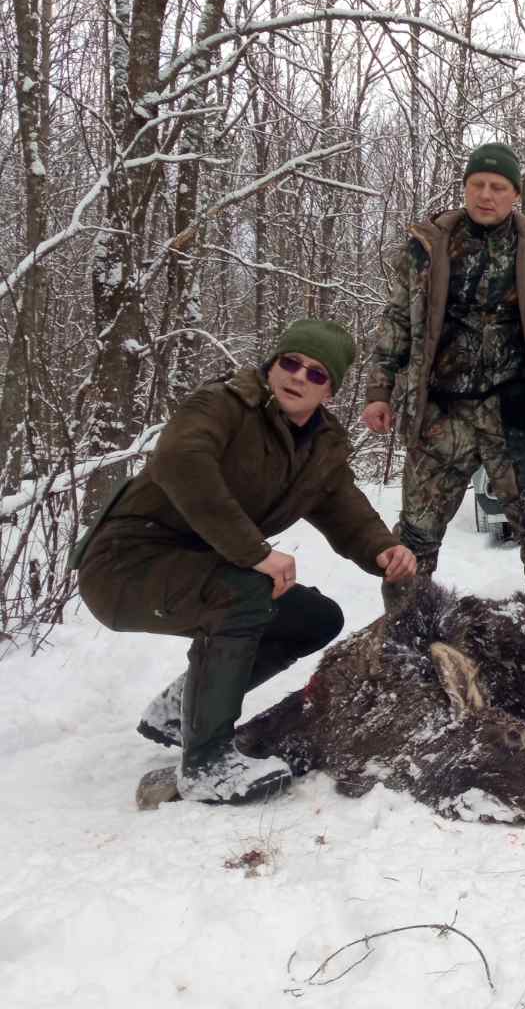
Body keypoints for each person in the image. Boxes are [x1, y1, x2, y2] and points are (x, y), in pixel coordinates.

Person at [72, 320, 417, 804]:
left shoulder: (320, 447)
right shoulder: (223, 405)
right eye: (290, 363)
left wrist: (382, 549)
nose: (298, 377)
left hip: (199, 568)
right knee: (246, 590)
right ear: (273, 365)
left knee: (315, 618)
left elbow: (345, 509)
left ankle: (181, 710)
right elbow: (179, 460)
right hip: (125, 565)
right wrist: (253, 553)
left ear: (330, 392)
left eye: (316, 374)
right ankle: (207, 762)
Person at [362, 142, 525, 598]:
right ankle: (407, 643)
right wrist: (379, 389)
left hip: (517, 413)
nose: (486, 195)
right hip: (442, 413)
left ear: (515, 194)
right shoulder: (428, 247)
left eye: (498, 187)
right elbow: (397, 320)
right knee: (415, 537)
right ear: (466, 188)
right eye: (478, 185)